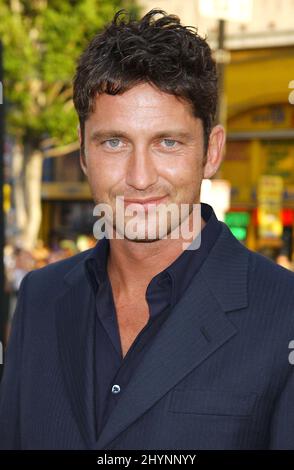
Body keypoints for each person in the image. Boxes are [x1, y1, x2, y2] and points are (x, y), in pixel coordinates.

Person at [0, 9, 294, 450]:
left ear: (211, 152)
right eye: (114, 142)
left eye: (168, 142)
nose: (139, 177)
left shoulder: (284, 310)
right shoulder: (40, 299)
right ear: (82, 152)